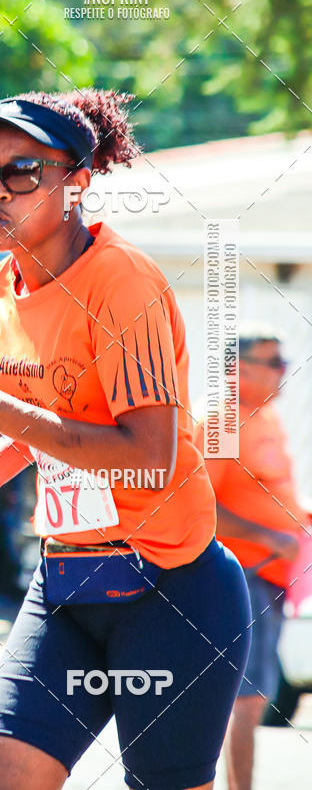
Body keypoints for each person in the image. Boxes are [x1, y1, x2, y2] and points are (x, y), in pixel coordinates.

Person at [0, 90, 252, 790]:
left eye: (21, 173)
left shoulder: (121, 282)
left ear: (75, 184)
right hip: (69, 583)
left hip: (173, 594)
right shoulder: (5, 284)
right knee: (0, 779)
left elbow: (146, 453)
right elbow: (53, 409)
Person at [195, 327, 309, 790]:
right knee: (243, 700)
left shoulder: (264, 416)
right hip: (241, 575)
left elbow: (270, 491)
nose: (284, 372)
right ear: (235, 370)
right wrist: (270, 536)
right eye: (273, 362)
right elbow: (198, 508)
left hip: (271, 577)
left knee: (252, 697)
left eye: (284, 362)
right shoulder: (219, 420)